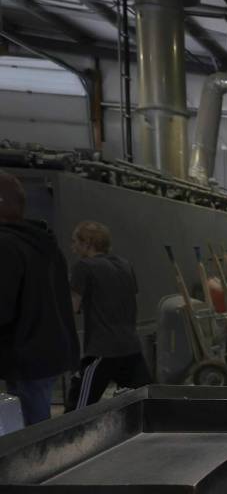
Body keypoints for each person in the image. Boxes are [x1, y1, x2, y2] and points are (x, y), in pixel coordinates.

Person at [0, 172, 80, 425]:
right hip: (48, 353)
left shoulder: (6, 245)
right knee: (37, 425)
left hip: (26, 355)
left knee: (30, 432)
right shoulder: (45, 244)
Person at [66, 220, 151, 409]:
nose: (72, 248)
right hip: (131, 347)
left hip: (102, 349)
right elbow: (131, 301)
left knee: (77, 411)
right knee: (146, 405)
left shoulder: (84, 267)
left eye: (75, 242)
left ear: (87, 243)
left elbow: (72, 306)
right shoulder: (125, 265)